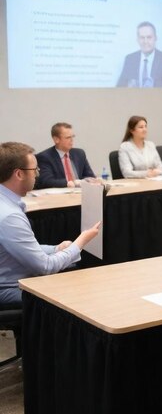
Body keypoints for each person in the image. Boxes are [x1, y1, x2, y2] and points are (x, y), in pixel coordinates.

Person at [0, 142, 100, 307]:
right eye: (34, 170)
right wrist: (79, 243)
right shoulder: (10, 217)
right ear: (19, 174)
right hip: (9, 288)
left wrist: (55, 249)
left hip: (10, 277)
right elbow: (45, 267)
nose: (37, 175)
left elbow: (22, 249)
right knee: (81, 293)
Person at [116, 21, 162, 88]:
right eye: (142, 37)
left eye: (149, 37)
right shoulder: (130, 59)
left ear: (155, 38)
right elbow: (119, 87)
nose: (145, 41)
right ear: (137, 40)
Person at [35, 122, 96, 189]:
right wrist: (70, 182)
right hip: (59, 196)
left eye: (73, 137)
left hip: (80, 193)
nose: (72, 140)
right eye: (68, 137)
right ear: (56, 139)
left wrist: (87, 181)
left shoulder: (79, 153)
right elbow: (46, 181)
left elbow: (90, 176)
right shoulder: (45, 157)